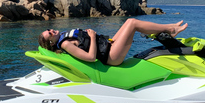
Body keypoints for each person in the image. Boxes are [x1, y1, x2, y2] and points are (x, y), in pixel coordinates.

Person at [38, 18, 188, 66]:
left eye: (50, 30)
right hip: (111, 57)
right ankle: (170, 29)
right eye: (49, 34)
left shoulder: (65, 37)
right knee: (133, 24)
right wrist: (91, 37)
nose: (52, 31)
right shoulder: (65, 44)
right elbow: (91, 58)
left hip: (109, 45)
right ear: (51, 43)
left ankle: (169, 29)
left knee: (129, 21)